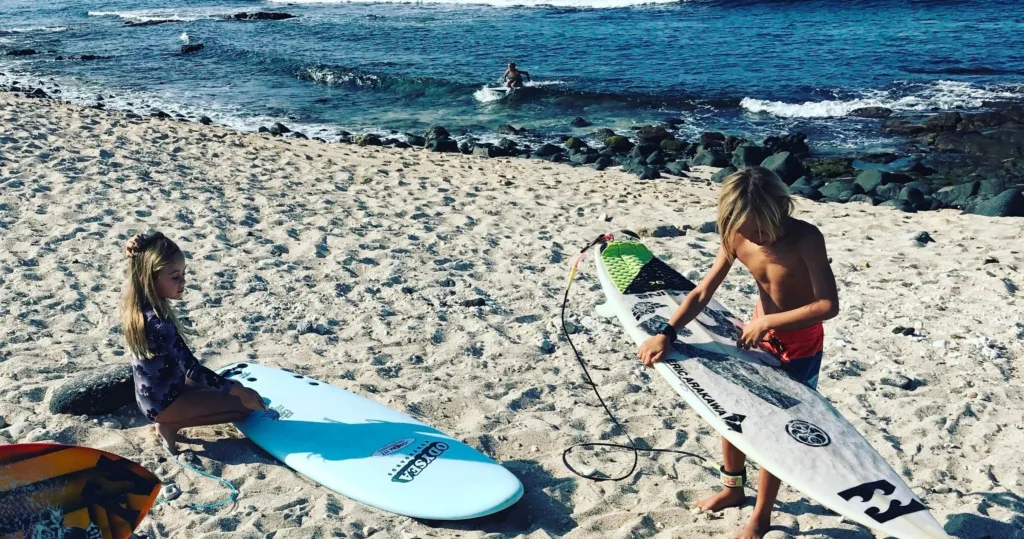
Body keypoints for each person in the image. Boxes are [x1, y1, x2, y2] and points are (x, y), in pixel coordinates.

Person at [636, 167, 839, 539]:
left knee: (776, 431)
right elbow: (701, 292)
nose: (755, 238)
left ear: (782, 207)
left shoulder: (806, 238)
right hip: (756, 334)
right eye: (747, 230)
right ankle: (732, 489)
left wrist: (769, 322)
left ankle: (761, 517)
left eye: (762, 230)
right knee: (733, 413)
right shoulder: (737, 233)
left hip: (800, 347)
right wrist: (666, 332)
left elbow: (828, 305)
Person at [120, 232, 267, 455]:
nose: (183, 282)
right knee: (243, 406)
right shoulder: (159, 323)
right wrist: (239, 390)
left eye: (184, 274)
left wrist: (141, 243)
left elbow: (138, 264)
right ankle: (171, 425)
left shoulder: (139, 305)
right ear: (148, 279)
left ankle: (170, 419)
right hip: (164, 404)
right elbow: (192, 369)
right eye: (175, 277)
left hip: (154, 395)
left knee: (230, 387)